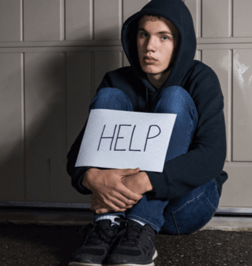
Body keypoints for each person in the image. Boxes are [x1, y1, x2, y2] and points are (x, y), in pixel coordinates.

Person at [66, 0, 227, 265]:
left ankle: (142, 223)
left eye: (164, 37)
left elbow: (211, 156)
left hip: (183, 205)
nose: (150, 47)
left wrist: (141, 181)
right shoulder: (116, 80)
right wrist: (92, 177)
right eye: (144, 34)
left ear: (180, 43)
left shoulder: (200, 78)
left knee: (174, 97)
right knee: (110, 96)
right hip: (122, 204)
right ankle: (107, 225)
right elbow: (77, 155)